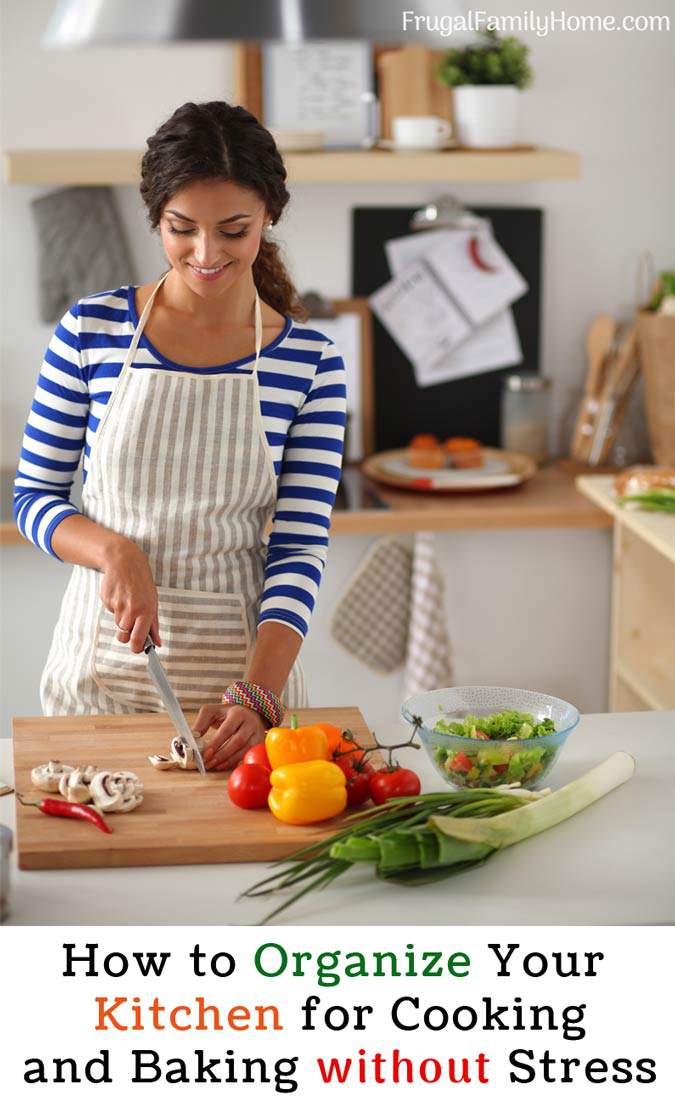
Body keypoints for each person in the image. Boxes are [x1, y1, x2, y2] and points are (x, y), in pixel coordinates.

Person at [14, 101, 346, 771]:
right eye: (181, 228)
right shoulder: (90, 330)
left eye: (233, 230)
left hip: (243, 690)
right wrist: (112, 550)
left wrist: (259, 695)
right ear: (155, 218)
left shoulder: (309, 361)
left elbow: (298, 546)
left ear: (268, 216)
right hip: (95, 682)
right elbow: (33, 497)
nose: (206, 253)